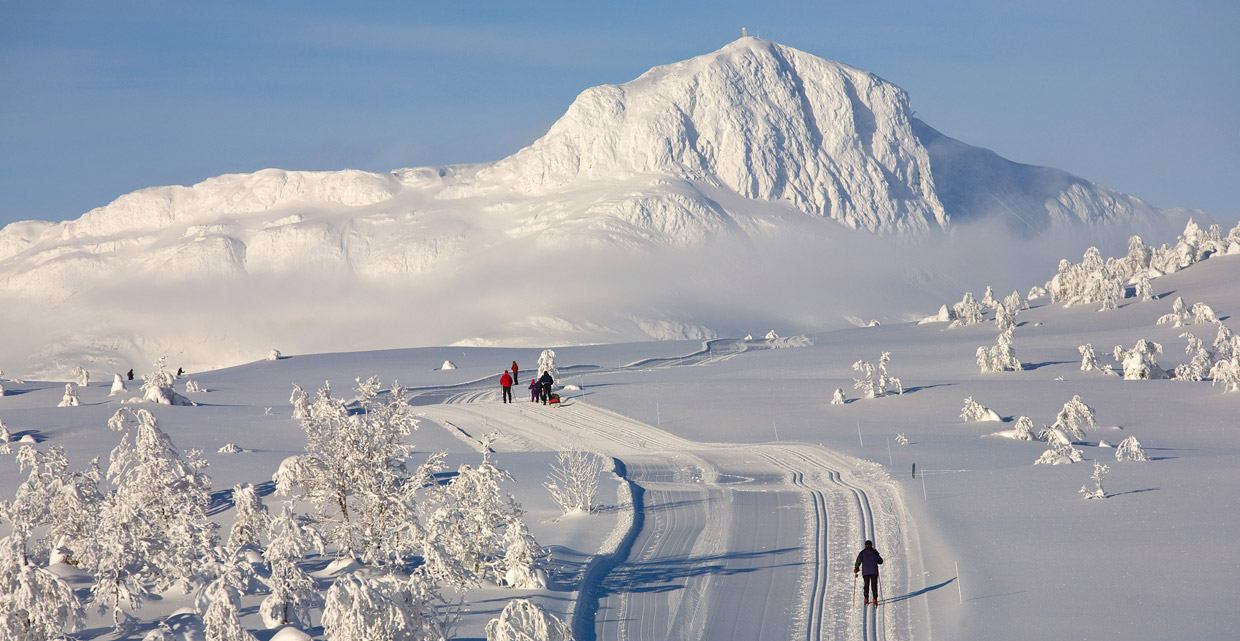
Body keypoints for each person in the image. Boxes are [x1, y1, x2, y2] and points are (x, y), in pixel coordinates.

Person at [854, 540, 884, 605]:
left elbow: (858, 562)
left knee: (866, 585)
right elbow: (881, 561)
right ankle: (875, 599)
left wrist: (856, 568)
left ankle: (866, 599)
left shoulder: (862, 553)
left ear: (865, 545)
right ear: (871, 545)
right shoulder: (875, 552)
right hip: (874, 572)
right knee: (874, 586)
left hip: (865, 572)